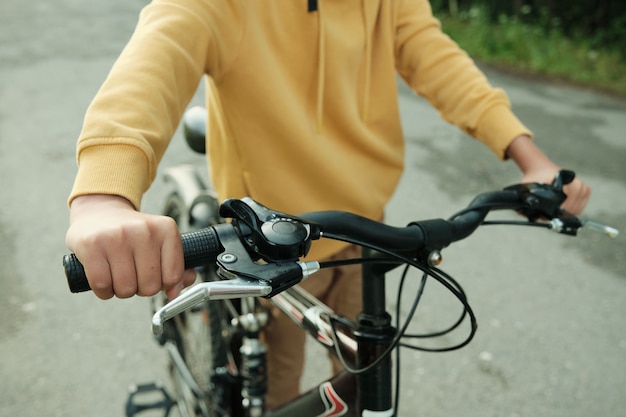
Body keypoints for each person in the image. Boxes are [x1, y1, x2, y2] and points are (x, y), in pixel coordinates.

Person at [65, 0, 591, 409]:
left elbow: (438, 60)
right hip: (270, 244)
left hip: (366, 230)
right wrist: (103, 197)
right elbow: (155, 61)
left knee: (368, 381)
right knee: (276, 397)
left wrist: (531, 158)